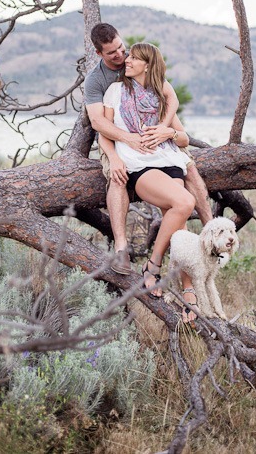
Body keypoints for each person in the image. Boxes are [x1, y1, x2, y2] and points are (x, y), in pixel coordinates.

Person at [84, 24, 213, 275]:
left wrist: (165, 130)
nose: (121, 56)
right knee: (117, 177)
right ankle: (122, 249)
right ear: (100, 54)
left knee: (190, 171)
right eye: (113, 54)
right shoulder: (98, 81)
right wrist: (121, 149)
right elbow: (100, 124)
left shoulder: (139, 59)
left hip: (161, 142)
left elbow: (170, 97)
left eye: (123, 48)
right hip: (116, 138)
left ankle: (209, 233)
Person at [100, 42, 199, 321]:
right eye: (128, 56)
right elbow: (104, 134)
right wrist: (115, 159)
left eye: (133, 58)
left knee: (178, 225)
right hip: (140, 166)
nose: (127, 61)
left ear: (147, 64)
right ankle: (154, 267)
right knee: (184, 202)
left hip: (171, 162)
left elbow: (184, 138)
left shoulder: (161, 93)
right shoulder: (116, 91)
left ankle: (186, 286)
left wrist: (167, 132)